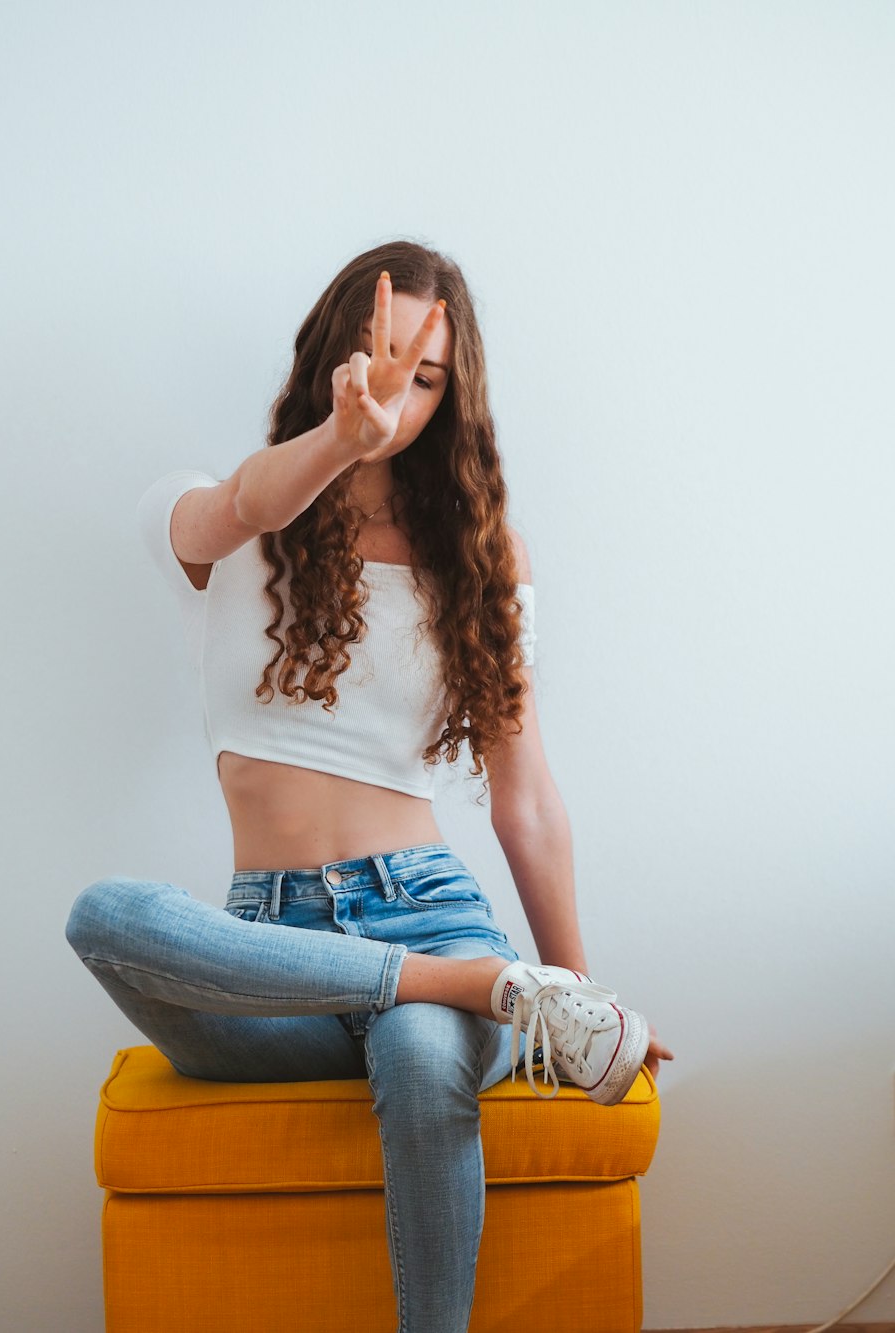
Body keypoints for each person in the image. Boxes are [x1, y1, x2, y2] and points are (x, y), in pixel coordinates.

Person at [66, 239, 673, 1333]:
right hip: (274, 954)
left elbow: (524, 799)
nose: (397, 391)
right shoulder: (220, 517)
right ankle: (479, 985)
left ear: (454, 397)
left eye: (426, 376)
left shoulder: (484, 559)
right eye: (378, 356)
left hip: (432, 907)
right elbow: (242, 502)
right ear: (332, 355)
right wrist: (341, 441)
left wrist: (575, 994)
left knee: (415, 1042)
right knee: (103, 915)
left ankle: (476, 991)